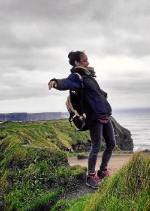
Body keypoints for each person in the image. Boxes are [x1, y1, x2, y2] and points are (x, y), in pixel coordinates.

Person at [48, 51, 115, 189]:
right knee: (96, 146)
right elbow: (65, 83)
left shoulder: (88, 76)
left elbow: (96, 93)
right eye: (85, 60)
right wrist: (55, 82)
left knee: (111, 144)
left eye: (87, 60)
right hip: (94, 117)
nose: (88, 62)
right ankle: (90, 176)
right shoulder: (76, 77)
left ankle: (102, 170)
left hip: (104, 114)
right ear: (77, 63)